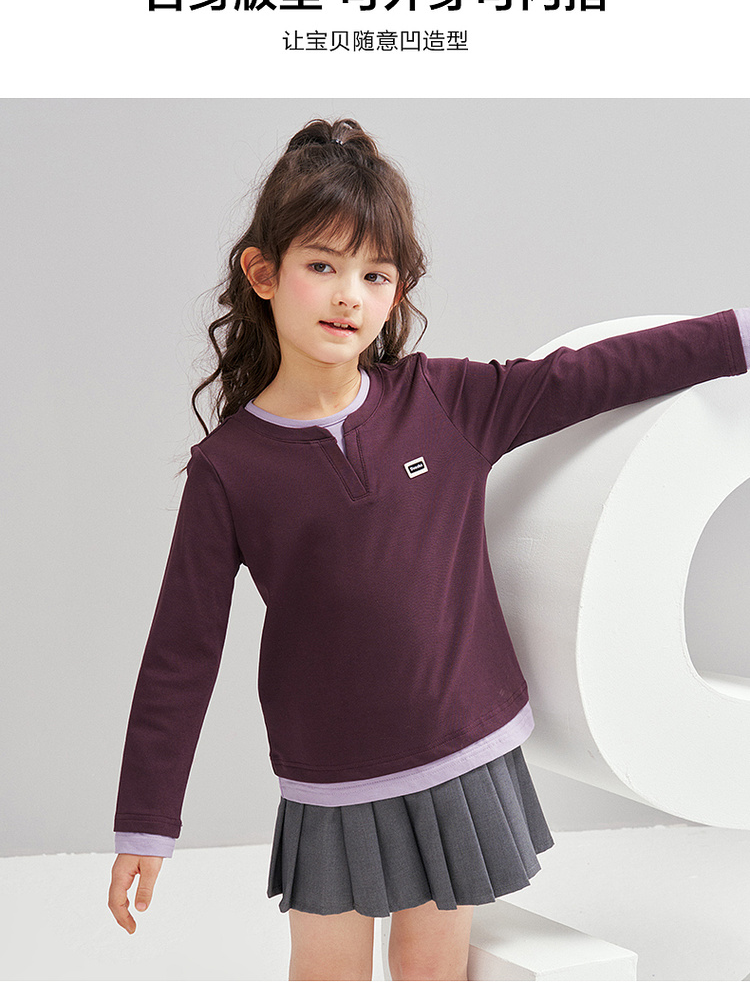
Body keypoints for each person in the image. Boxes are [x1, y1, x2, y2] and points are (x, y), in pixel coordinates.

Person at [108, 117, 750, 981]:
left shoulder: (442, 402)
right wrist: (147, 822)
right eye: (322, 265)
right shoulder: (228, 469)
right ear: (263, 273)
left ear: (396, 293)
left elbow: (589, 375)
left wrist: (735, 337)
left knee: (433, 970)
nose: (348, 295)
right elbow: (181, 652)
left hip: (459, 752)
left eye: (374, 275)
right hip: (332, 774)